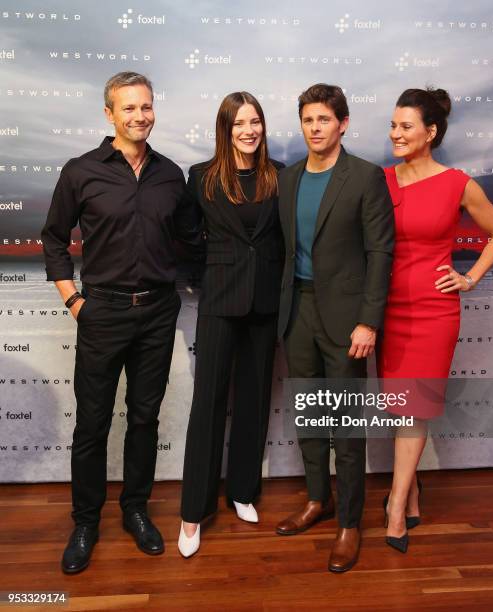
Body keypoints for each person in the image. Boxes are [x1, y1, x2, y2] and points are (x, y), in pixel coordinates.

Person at [41, 71, 201, 574]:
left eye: (146, 107)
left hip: (157, 311)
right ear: (109, 114)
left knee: (145, 419)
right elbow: (51, 240)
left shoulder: (171, 175)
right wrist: (75, 302)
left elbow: (193, 237)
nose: (140, 116)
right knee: (91, 424)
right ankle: (85, 521)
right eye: (129, 108)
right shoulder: (81, 171)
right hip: (102, 312)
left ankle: (135, 510)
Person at [378, 87, 493, 553]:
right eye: (393, 125)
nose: (395, 133)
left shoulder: (456, 183)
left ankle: (396, 506)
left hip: (435, 312)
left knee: (416, 405)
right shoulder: (382, 180)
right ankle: (412, 490)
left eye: (406, 126)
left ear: (430, 132)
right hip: (386, 309)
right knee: (400, 403)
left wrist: (470, 276)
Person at [275, 84, 395, 572]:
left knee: (345, 427)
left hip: (348, 321)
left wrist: (369, 320)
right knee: (310, 417)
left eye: (324, 119)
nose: (315, 128)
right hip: (296, 312)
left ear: (342, 123)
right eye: (307, 120)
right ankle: (316, 500)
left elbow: (380, 252)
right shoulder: (288, 179)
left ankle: (349, 523)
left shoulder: (365, 177)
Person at [178, 92, 284, 558]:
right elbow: (186, 237)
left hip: (265, 302)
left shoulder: (281, 174)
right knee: (208, 404)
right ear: (225, 128)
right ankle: (192, 512)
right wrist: (203, 277)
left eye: (255, 121)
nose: (249, 130)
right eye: (240, 122)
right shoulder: (201, 177)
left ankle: (242, 490)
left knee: (254, 399)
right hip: (220, 300)